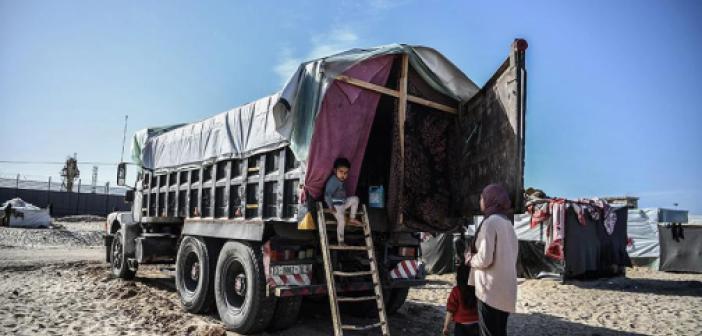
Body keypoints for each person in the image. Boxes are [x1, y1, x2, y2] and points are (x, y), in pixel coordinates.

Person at [465, 184, 518, 336]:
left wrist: (470, 260)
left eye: (482, 197)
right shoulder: (508, 224)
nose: (480, 200)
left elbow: (485, 259)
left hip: (490, 290)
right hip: (506, 290)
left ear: (491, 200)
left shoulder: (490, 223)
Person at [324, 157, 362, 245]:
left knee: (355, 199)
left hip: (343, 203)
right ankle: (340, 241)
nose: (343, 175)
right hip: (336, 206)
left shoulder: (341, 181)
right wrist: (331, 206)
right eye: (341, 172)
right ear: (335, 170)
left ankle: (352, 218)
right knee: (342, 221)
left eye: (346, 173)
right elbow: (327, 195)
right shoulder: (333, 181)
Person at [443, 264, 479, 336]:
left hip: (461, 325)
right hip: (477, 324)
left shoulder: (456, 290)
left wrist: (446, 326)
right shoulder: (478, 289)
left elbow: (450, 309)